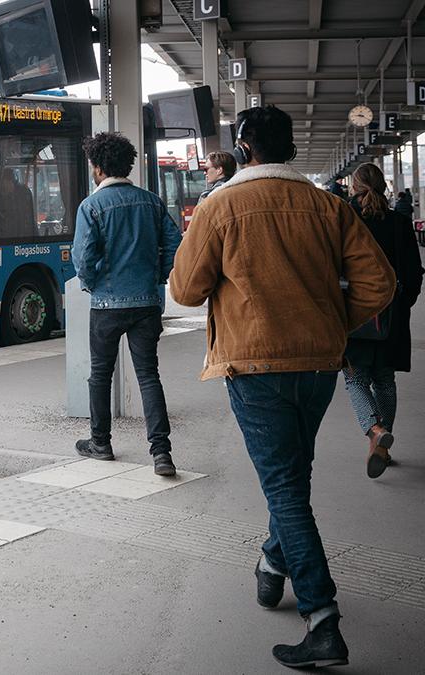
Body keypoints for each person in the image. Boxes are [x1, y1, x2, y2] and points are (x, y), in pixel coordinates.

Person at [170, 105, 394, 669]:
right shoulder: (328, 205)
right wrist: (328, 323)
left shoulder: (219, 206)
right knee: (292, 475)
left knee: (285, 490)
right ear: (290, 148)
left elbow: (185, 291)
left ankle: (322, 620)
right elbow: (379, 282)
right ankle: (273, 567)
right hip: (320, 364)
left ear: (243, 149)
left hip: (254, 365)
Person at [71, 132, 182, 477]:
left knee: (100, 375)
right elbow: (175, 245)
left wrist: (93, 285)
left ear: (99, 167)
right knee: (149, 376)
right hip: (147, 302)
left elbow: (82, 258)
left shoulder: (91, 206)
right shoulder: (152, 202)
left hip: (106, 306)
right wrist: (157, 278)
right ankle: (161, 453)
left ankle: (100, 443)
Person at [343, 164, 423, 478]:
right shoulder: (399, 222)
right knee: (385, 381)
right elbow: (414, 272)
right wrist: (402, 304)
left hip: (355, 314)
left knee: (355, 378)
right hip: (391, 313)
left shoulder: (347, 221)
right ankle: (382, 447)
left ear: (355, 188)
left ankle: (375, 431)